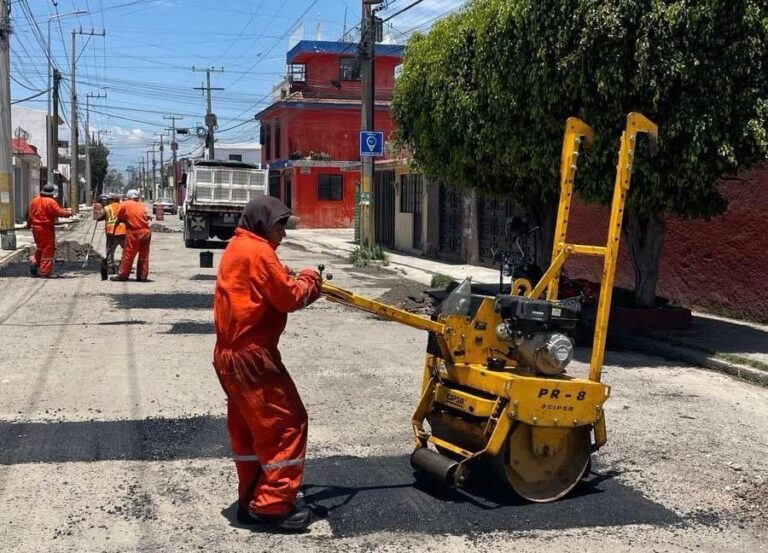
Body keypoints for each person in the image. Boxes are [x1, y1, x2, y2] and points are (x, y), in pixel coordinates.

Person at [212, 196, 322, 532]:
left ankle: (251, 498)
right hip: (253, 357)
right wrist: (310, 279)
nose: (283, 235)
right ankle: (273, 505)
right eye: (280, 227)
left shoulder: (238, 246)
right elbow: (289, 297)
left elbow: (264, 285)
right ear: (263, 223)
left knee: (249, 428)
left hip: (228, 355)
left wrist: (284, 274)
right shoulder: (260, 252)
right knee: (286, 424)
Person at [27, 183, 72, 278]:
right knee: (47, 249)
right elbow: (59, 212)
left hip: (35, 228)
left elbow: (30, 215)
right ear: (51, 193)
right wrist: (68, 213)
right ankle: (45, 272)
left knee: (40, 248)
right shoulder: (51, 202)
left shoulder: (34, 200)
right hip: (45, 229)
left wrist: (28, 225)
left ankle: (34, 262)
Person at [110, 189, 151, 282]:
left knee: (128, 254)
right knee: (144, 256)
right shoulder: (141, 205)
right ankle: (142, 276)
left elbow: (119, 216)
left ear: (128, 197)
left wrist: (119, 222)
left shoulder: (125, 204)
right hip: (146, 233)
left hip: (135, 233)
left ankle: (123, 275)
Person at [97, 194, 126, 274]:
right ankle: (124, 266)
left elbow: (98, 217)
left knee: (110, 250)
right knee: (126, 250)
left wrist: (101, 208)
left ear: (111, 200)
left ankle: (110, 267)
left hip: (111, 232)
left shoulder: (107, 208)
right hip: (123, 231)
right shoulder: (123, 206)